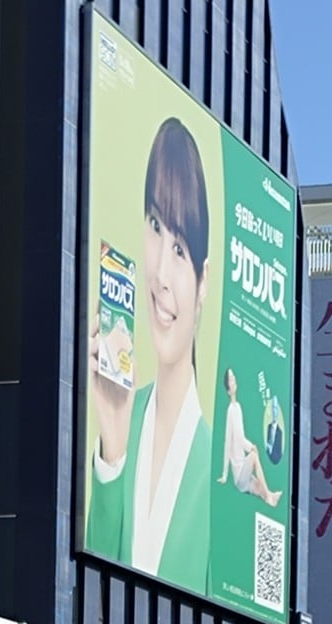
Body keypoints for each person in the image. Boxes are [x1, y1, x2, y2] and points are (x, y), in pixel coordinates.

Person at [87, 117, 212, 585]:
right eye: (156, 225)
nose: (159, 272)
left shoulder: (218, 467)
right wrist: (113, 443)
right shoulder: (122, 413)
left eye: (180, 249)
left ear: (204, 282)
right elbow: (87, 594)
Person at [217, 365, 281, 505]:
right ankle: (269, 496)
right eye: (231, 380)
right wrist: (225, 473)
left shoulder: (237, 407)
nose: (234, 381)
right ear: (228, 389)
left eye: (234, 378)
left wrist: (250, 446)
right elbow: (231, 441)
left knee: (259, 487)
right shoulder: (231, 411)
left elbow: (240, 437)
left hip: (245, 476)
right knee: (253, 456)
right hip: (239, 474)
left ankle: (269, 495)